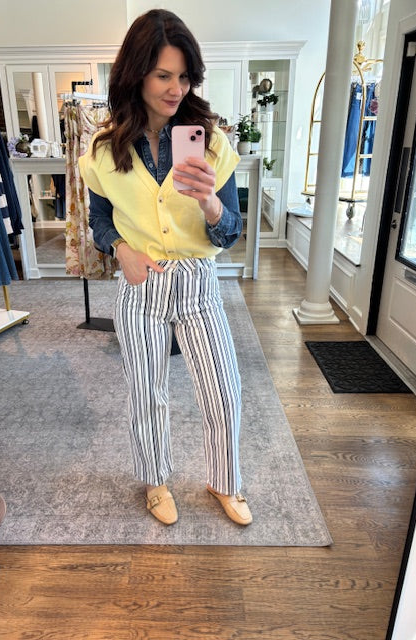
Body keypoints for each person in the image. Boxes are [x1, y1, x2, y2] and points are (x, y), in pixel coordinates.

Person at [79, 9, 252, 526]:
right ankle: (155, 482)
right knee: (147, 393)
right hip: (142, 288)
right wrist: (120, 249)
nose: (177, 89)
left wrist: (210, 203)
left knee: (223, 390)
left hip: (198, 284)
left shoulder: (211, 142)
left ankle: (224, 480)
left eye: (184, 76)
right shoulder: (104, 149)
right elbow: (99, 219)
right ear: (136, 74)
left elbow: (230, 232)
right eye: (163, 76)